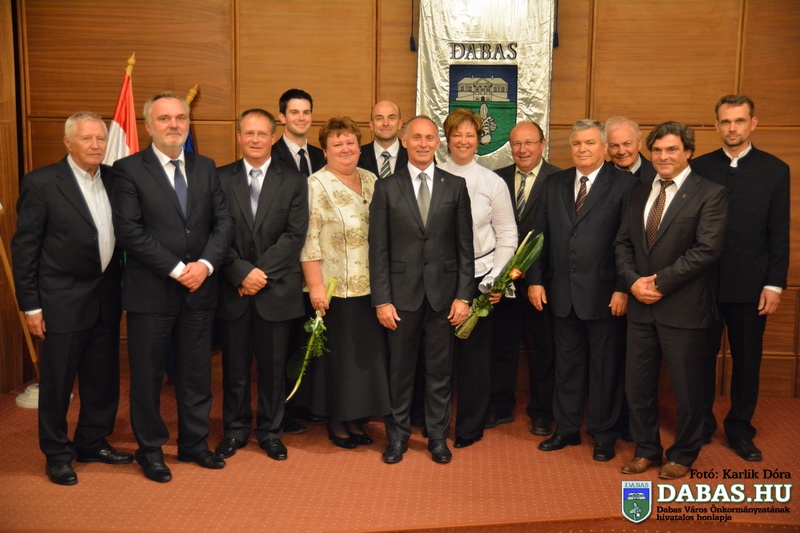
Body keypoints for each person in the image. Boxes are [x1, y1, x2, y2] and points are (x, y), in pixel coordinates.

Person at [111, 93, 235, 482]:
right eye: (165, 118)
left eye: (180, 117)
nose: (174, 125)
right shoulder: (128, 169)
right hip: (151, 293)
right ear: (149, 125)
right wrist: (179, 269)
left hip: (200, 289)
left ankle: (194, 443)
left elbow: (224, 222)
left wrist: (206, 265)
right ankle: (150, 450)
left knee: (196, 374)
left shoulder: (205, 166)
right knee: (147, 377)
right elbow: (129, 231)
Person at [12, 112, 132, 485]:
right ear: (68, 142)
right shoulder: (42, 183)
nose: (96, 145)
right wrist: (31, 306)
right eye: (86, 139)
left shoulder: (115, 179)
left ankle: (92, 441)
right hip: (60, 300)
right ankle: (57, 453)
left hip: (106, 296)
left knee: (102, 378)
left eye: (100, 138)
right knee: (58, 383)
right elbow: (25, 249)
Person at [615, 121, 728, 479]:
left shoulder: (710, 193)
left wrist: (660, 283)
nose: (663, 156)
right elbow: (622, 243)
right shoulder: (637, 193)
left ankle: (683, 453)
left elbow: (706, 250)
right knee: (637, 387)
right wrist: (633, 282)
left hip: (684, 308)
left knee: (688, 390)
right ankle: (646, 449)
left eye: (672, 149)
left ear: (688, 152)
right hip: (640, 307)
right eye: (658, 150)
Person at [528, 120, 638, 462]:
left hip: (606, 295)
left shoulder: (625, 185)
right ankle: (567, 428)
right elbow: (539, 236)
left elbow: (631, 242)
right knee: (566, 365)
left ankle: (604, 435)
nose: (582, 149)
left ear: (604, 147)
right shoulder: (554, 183)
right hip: (561, 293)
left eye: (590, 143)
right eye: (577, 143)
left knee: (605, 368)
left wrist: (623, 288)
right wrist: (535, 279)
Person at [369, 115, 474, 464]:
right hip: (400, 298)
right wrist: (382, 300)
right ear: (405, 140)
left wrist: (464, 295)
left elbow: (465, 248)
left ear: (437, 143)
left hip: (444, 297)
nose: (423, 144)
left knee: (439, 373)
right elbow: (378, 249)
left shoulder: (455, 186)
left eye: (430, 138)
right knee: (399, 373)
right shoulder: (387, 187)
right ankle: (397, 438)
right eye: (417, 137)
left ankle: (437, 437)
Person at [692, 95, 790, 461]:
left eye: (739, 121)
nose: (732, 128)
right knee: (699, 359)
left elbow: (779, 232)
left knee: (748, 361)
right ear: (716, 126)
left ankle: (740, 429)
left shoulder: (775, 170)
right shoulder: (699, 167)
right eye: (726, 121)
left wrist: (774, 284)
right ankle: (700, 424)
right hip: (703, 284)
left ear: (753, 123)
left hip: (751, 284)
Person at [214, 109, 308, 462]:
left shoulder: (294, 180)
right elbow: (214, 232)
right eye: (248, 133)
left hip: (275, 290)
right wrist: (240, 272)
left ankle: (271, 432)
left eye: (261, 133)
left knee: (272, 371)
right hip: (233, 289)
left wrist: (259, 275)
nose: (255, 139)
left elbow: (295, 235)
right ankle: (235, 430)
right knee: (235, 370)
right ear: (239, 136)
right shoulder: (219, 178)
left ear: (273, 137)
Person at [300, 116, 391, 449]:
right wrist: (316, 288)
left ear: (359, 146)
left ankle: (356, 418)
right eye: (337, 144)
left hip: (371, 288)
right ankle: (337, 422)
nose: (345, 148)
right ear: (325, 150)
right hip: (333, 289)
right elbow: (308, 239)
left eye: (350, 142)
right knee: (339, 360)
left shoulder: (371, 179)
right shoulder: (315, 185)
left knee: (363, 359)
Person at [439, 109, 517, 448]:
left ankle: (469, 428)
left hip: (480, 277)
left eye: (470, 135)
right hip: (439, 278)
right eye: (457, 134)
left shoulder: (492, 182)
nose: (463, 141)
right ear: (447, 139)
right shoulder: (434, 175)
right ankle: (432, 422)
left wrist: (496, 279)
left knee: (475, 358)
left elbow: (507, 233)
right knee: (437, 356)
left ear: (479, 140)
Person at [490, 120, 561, 436]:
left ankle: (542, 411)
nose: (522, 149)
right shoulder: (497, 179)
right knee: (502, 346)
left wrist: (536, 277)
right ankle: (500, 406)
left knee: (544, 348)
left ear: (542, 143)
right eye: (517, 143)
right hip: (503, 281)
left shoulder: (559, 179)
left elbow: (560, 234)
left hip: (541, 282)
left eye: (529, 142)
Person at [272, 88, 325, 178]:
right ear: (282, 117)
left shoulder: (322, 156)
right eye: (294, 113)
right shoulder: (269, 157)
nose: (301, 118)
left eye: (306, 113)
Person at [357, 100, 408, 178]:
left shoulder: (412, 154)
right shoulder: (357, 155)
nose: (385, 123)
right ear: (371, 125)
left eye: (391, 118)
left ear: (400, 124)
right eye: (379, 118)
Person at [604, 116, 657, 185]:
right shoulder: (598, 176)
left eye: (627, 144)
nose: (622, 152)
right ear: (606, 147)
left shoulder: (657, 173)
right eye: (614, 146)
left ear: (639, 142)